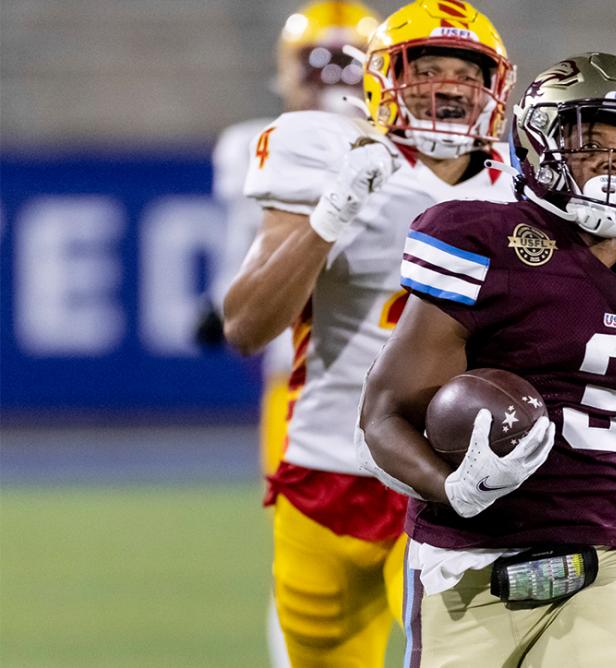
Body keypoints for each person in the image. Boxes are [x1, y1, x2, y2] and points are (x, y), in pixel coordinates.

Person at [357, 52, 616, 667]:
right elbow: (382, 417)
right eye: (591, 142)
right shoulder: (481, 244)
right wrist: (451, 489)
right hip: (466, 568)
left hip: (604, 570)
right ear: (538, 146)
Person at [221, 1, 517, 665]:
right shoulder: (327, 152)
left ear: (496, 87)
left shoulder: (525, 189)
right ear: (384, 79)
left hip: (449, 478)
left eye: (465, 73)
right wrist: (330, 215)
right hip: (328, 471)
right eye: (426, 69)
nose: (446, 88)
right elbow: (246, 325)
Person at [199, 3, 381, 665]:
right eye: (317, 66)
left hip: (406, 379)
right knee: (308, 556)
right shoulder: (261, 143)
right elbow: (244, 265)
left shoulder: (416, 152)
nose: (331, 83)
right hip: (306, 381)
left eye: (346, 66)